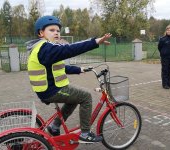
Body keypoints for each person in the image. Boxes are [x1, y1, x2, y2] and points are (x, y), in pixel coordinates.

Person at [26, 15, 112, 143]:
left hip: (48, 89)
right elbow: (70, 49)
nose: (56, 33)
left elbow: (58, 67)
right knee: (86, 96)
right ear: (41, 33)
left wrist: (79, 69)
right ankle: (85, 133)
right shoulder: (46, 48)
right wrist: (95, 42)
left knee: (73, 99)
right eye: (52, 30)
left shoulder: (42, 48)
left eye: (58, 30)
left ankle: (54, 126)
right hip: (51, 91)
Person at [158, 24, 170, 89]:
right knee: (165, 70)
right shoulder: (162, 39)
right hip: (165, 58)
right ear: (166, 31)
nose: (169, 31)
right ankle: (165, 84)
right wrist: (163, 53)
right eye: (168, 30)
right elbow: (159, 47)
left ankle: (169, 83)